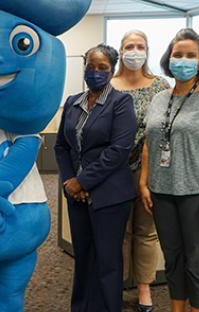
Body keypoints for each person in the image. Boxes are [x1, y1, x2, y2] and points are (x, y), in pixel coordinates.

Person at [140, 28, 199, 312]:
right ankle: (177, 308)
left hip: (197, 192)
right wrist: (144, 182)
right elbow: (148, 144)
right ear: (169, 58)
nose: (183, 60)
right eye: (178, 54)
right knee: (173, 256)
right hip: (161, 192)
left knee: (196, 259)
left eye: (191, 55)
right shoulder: (159, 98)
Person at [55, 44, 137, 312]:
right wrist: (70, 182)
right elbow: (61, 147)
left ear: (112, 71)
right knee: (83, 257)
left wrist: (83, 181)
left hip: (110, 195)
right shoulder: (72, 102)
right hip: (76, 196)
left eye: (102, 67)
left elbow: (119, 150)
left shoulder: (121, 103)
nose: (95, 72)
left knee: (108, 261)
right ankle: (80, 307)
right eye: (91, 66)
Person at [111, 30, 169, 312]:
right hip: (113, 171)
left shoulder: (161, 86)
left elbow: (167, 129)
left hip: (151, 169)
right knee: (116, 232)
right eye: (129, 46)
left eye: (140, 46)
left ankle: (144, 288)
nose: (135, 51)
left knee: (146, 232)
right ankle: (115, 284)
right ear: (120, 51)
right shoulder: (108, 85)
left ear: (148, 50)